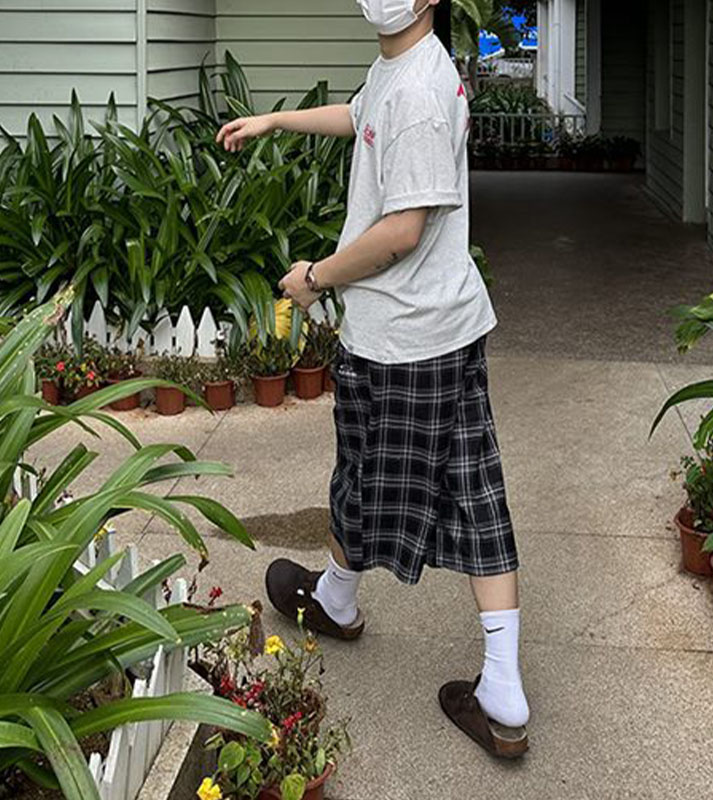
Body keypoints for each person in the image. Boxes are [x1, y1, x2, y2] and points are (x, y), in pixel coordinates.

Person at [215, 0, 529, 759]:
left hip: (403, 337)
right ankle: (500, 686)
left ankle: (340, 603)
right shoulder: (404, 67)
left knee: (366, 477)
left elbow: (400, 230)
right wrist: (276, 123)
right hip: (441, 330)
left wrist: (314, 278)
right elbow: (363, 114)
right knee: (471, 487)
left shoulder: (422, 90)